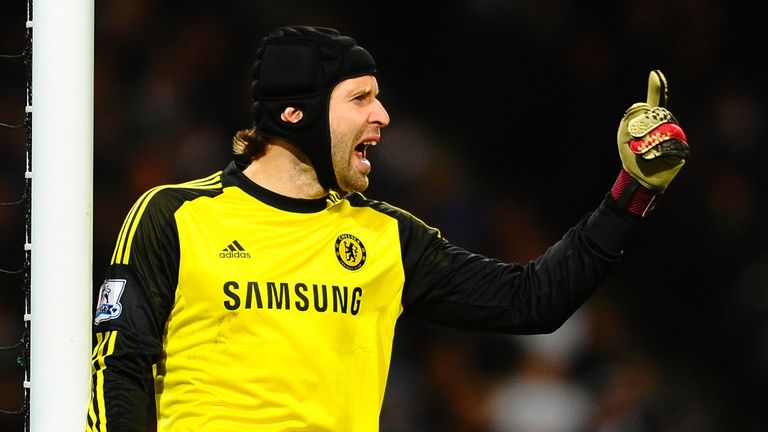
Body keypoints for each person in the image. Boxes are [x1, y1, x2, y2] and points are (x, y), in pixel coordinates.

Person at [85, 25, 689, 431]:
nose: (383, 115)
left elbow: (532, 300)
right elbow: (121, 367)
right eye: (361, 97)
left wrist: (631, 193)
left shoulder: (386, 238)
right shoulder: (174, 215)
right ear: (296, 112)